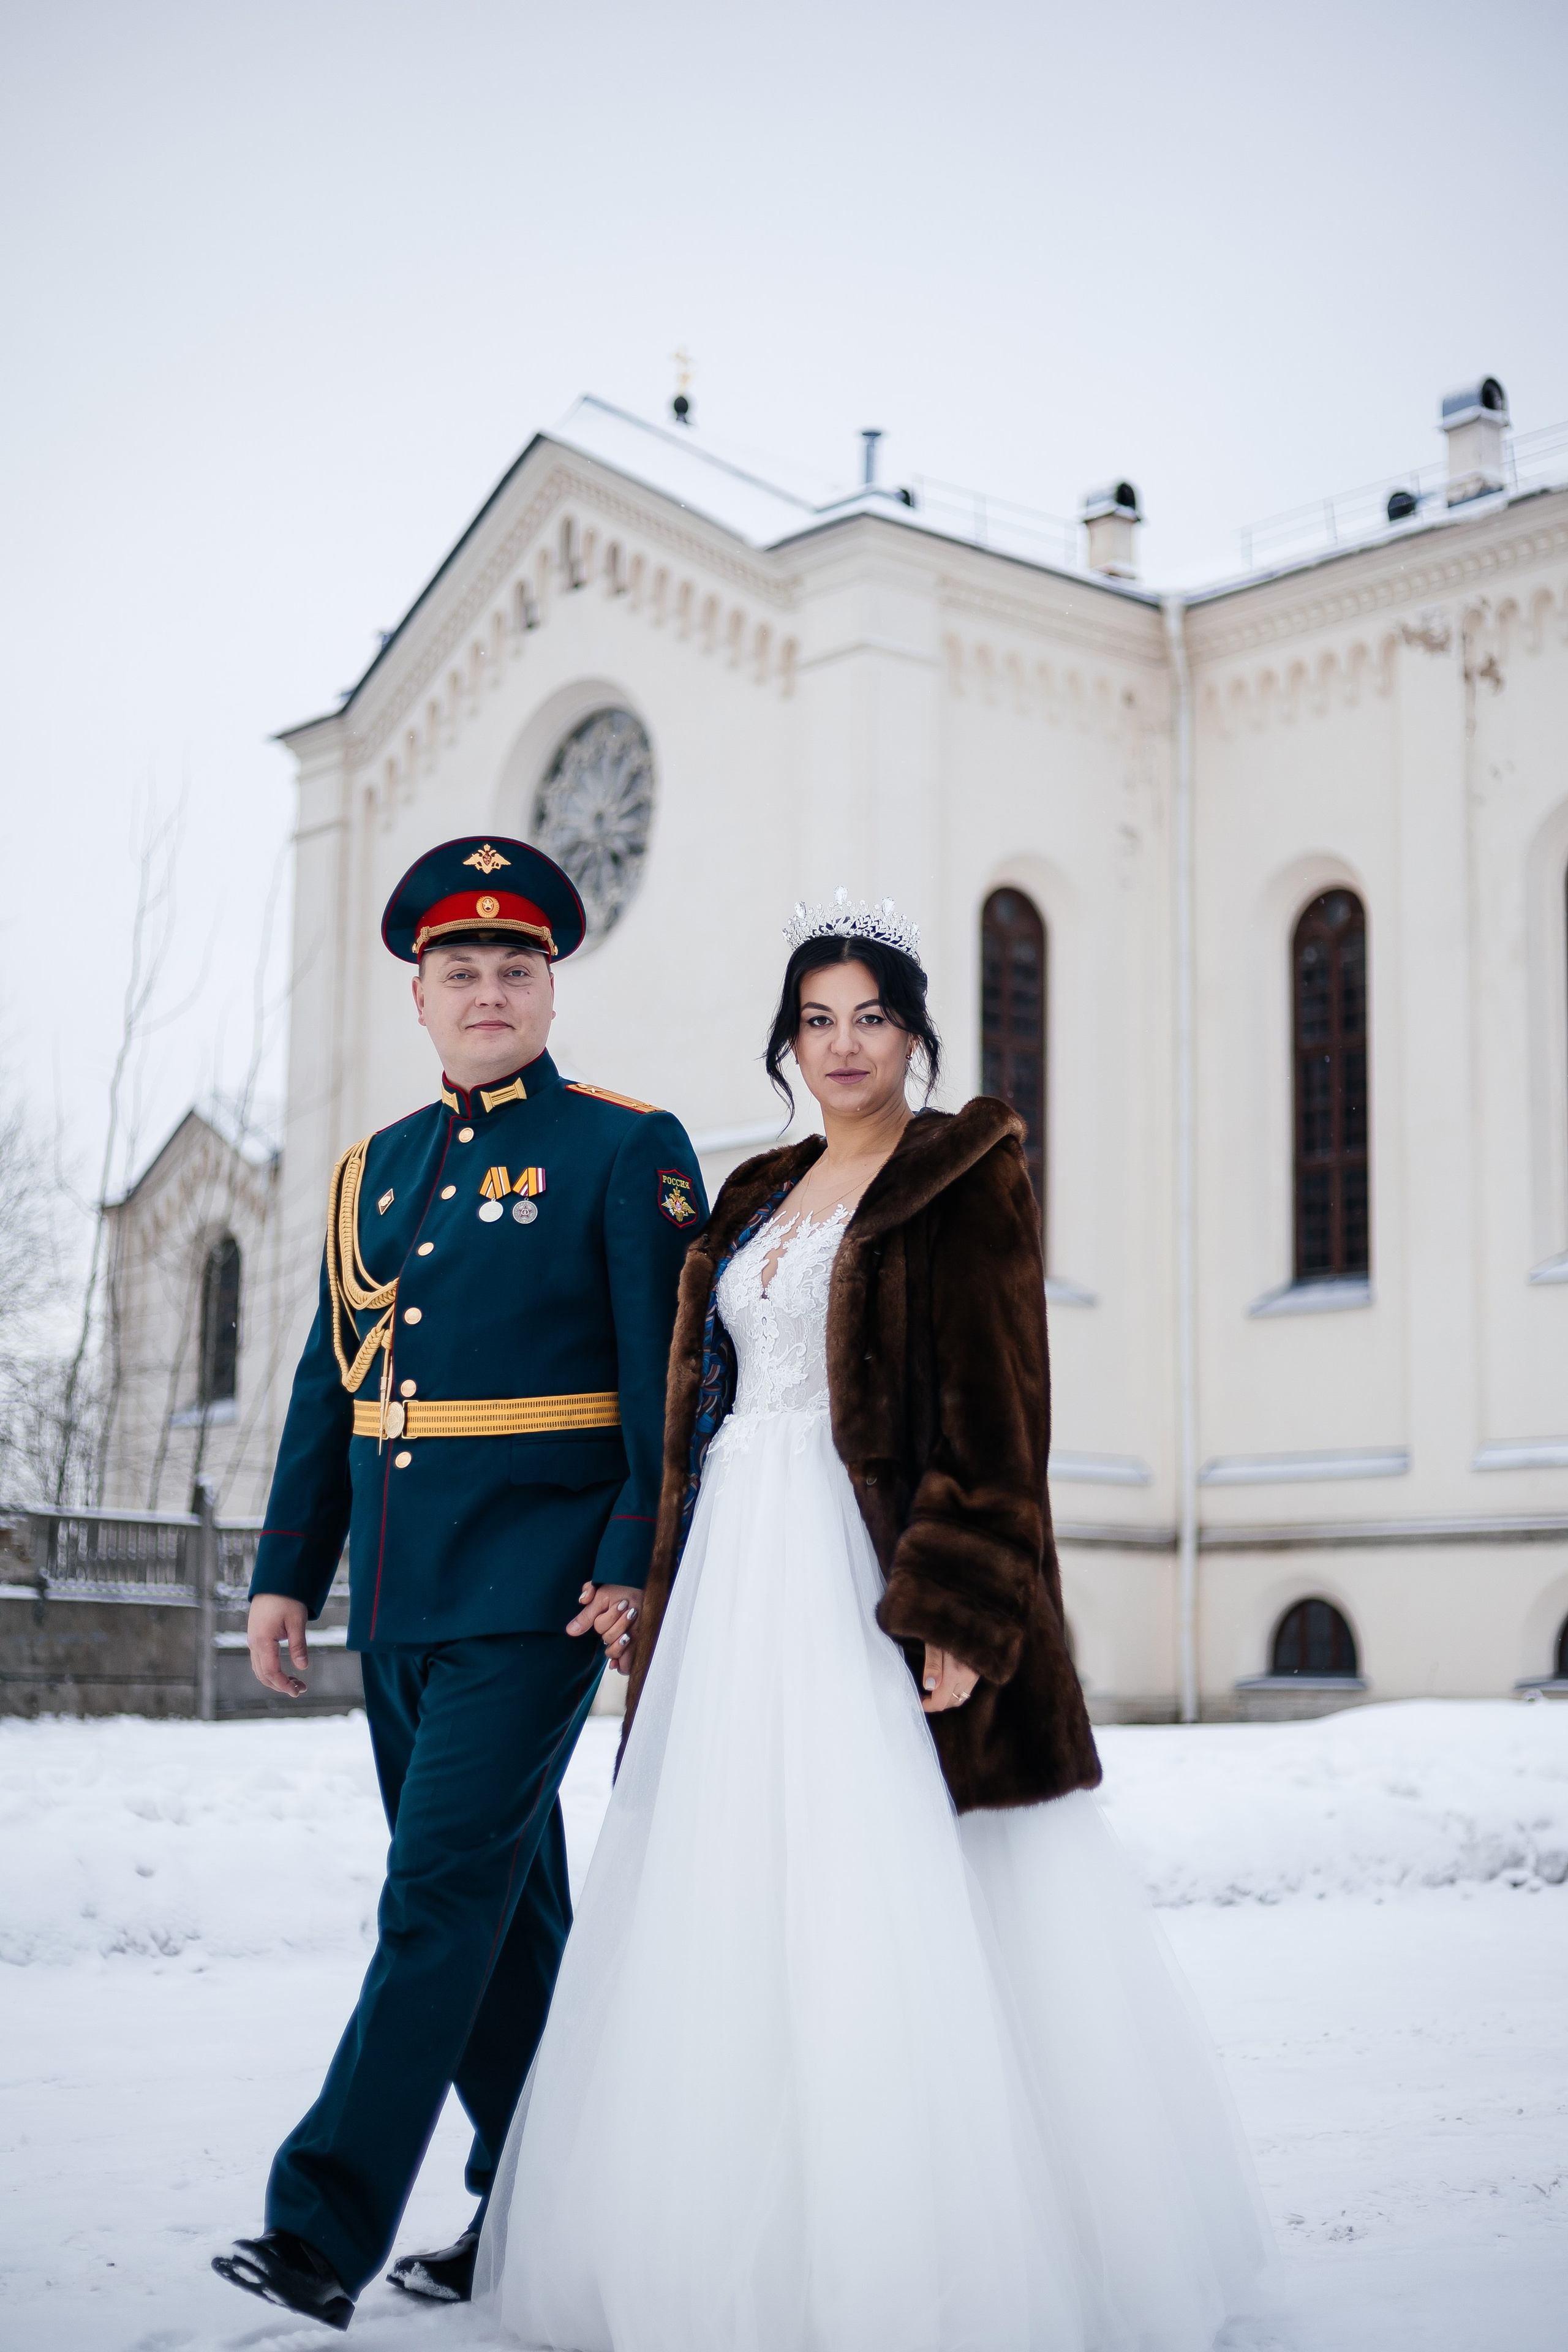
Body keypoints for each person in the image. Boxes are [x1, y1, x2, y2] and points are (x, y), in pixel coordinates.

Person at [478, 890, 1270, 2352]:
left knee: (893, 1880)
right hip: (737, 1575)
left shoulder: (959, 1175)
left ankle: (935, 2252)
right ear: (786, 1041)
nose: (842, 1044)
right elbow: (695, 1410)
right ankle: (730, 2247)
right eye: (815, 1019)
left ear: (913, 1033)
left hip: (867, 1570)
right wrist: (654, 1574)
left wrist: (958, 1606)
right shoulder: (752, 1196)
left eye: (871, 1017)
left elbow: (999, 1407)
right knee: (728, 1888)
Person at [212, 836, 705, 2332]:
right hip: (399, 1596)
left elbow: (670, 1382)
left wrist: (634, 1557)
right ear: (418, 997)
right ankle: (534, 2208)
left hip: (540, 1597)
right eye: (460, 970)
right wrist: (288, 1573)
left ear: (550, 989)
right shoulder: (372, 1170)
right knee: (501, 1919)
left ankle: (319, 2226)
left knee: (433, 1897)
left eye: (514, 967)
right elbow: (333, 1386)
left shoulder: (625, 1148)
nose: (488, 990)